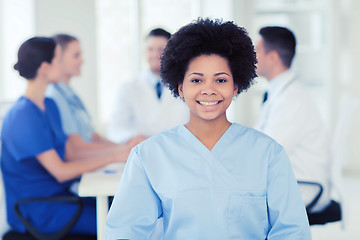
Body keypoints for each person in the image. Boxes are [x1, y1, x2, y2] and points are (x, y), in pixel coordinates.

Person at [105, 19, 311, 239]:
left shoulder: (268, 154)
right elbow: (124, 231)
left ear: (235, 87)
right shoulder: (148, 156)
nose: (209, 90)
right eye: (196, 80)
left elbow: (292, 232)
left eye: (220, 80)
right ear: (180, 87)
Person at [0, 37, 134, 236]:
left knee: (127, 208)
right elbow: (60, 171)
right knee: (123, 226)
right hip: (41, 210)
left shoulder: (49, 106)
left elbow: (71, 153)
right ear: (45, 67)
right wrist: (114, 156)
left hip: (63, 197)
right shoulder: (23, 115)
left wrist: (122, 150)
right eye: (57, 59)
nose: (61, 65)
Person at [254, 26, 331, 213]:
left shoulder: (291, 100)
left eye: (257, 52)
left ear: (272, 57)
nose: (252, 58)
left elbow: (266, 152)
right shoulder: (281, 93)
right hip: (289, 181)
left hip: (303, 187)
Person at [46, 34, 141, 150]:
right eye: (76, 56)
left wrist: (127, 147)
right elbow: (77, 146)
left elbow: (93, 136)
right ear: (58, 58)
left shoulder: (70, 93)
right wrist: (122, 150)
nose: (82, 60)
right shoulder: (54, 95)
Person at [107, 28, 189, 143]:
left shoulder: (186, 85)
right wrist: (135, 138)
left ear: (171, 52)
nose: (155, 54)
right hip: (142, 152)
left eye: (161, 49)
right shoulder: (128, 88)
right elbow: (116, 130)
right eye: (150, 49)